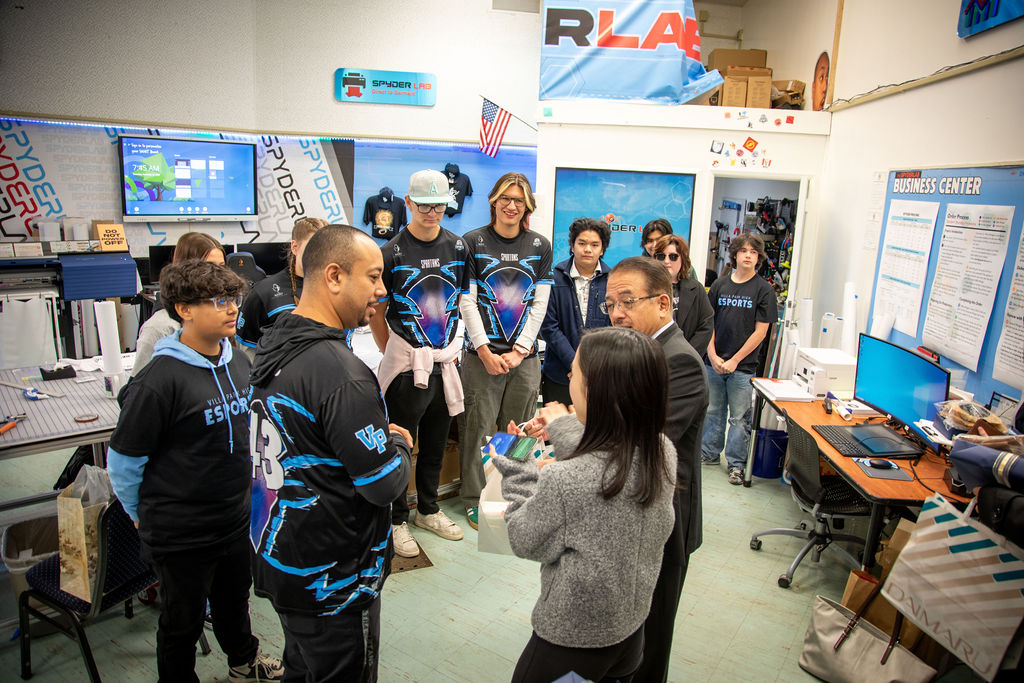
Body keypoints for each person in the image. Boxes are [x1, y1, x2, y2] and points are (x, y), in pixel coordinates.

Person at [247, 224, 412, 681]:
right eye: (374, 277)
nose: (381, 290)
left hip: (284, 561)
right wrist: (396, 442)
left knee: (301, 669)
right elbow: (382, 486)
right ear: (334, 276)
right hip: (333, 582)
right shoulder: (343, 375)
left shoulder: (276, 343)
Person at [106, 260, 282, 683]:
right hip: (181, 533)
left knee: (233, 602)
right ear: (184, 309)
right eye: (218, 301)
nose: (232, 310)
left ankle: (243, 661)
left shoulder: (237, 359)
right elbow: (125, 462)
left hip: (234, 520)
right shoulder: (159, 379)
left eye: (233, 300)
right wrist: (140, 514)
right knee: (181, 623)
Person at [494, 326, 676, 683]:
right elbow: (609, 457)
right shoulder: (662, 452)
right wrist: (562, 424)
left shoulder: (567, 481)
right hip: (630, 632)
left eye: (575, 372)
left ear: (595, 391)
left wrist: (516, 464)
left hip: (572, 643)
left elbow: (522, 537)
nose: (568, 376)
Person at [603, 256, 709, 683]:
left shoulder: (678, 362)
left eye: (627, 302)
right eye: (610, 303)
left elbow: (642, 442)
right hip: (631, 512)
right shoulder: (641, 353)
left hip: (662, 522)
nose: (616, 314)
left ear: (663, 304)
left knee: (650, 642)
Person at [371, 169, 469, 558]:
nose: (432, 211)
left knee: (435, 440)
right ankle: (396, 519)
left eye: (439, 205)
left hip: (445, 363)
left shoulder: (458, 248)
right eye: (424, 204)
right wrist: (391, 350)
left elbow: (461, 300)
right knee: (400, 444)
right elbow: (378, 309)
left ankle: (428, 508)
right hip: (407, 364)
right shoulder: (391, 252)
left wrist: (457, 345)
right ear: (408, 203)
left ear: (448, 205)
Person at [458, 172, 553, 529]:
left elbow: (539, 304)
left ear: (527, 205)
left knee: (518, 432)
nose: (511, 206)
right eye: (505, 198)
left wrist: (520, 350)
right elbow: (467, 302)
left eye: (519, 200)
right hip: (480, 357)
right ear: (493, 201)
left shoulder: (540, 246)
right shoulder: (471, 243)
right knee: (478, 429)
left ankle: (512, 494)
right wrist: (483, 350)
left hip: (524, 360)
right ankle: (474, 499)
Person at [702, 233, 776, 485]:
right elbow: (707, 322)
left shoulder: (764, 290)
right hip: (713, 363)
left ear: (758, 258)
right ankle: (709, 454)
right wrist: (711, 355)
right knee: (712, 412)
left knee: (739, 418)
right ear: (734, 254)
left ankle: (736, 464)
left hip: (742, 368)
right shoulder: (720, 285)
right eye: (743, 250)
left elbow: (761, 332)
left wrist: (734, 360)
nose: (748, 255)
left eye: (753, 252)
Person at [539, 217, 611, 406]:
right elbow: (549, 327)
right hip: (560, 375)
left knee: (594, 433)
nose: (588, 249)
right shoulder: (553, 277)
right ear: (572, 246)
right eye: (582, 243)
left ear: (602, 249)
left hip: (598, 376)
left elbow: (614, 329)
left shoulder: (613, 281)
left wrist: (590, 368)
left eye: (595, 244)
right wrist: (575, 364)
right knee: (557, 431)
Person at [133, 232, 225, 373]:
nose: (218, 275)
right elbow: (139, 387)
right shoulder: (160, 328)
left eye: (222, 267)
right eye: (209, 267)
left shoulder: (222, 315)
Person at [236, 217, 328, 352]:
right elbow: (248, 353)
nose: (319, 255)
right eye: (312, 248)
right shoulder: (264, 293)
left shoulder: (336, 289)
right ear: (295, 247)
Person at [652, 233, 714, 356]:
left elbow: (706, 326)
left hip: (686, 357)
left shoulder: (696, 289)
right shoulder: (645, 288)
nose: (666, 261)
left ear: (683, 259)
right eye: (661, 256)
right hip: (652, 357)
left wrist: (686, 355)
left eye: (673, 257)